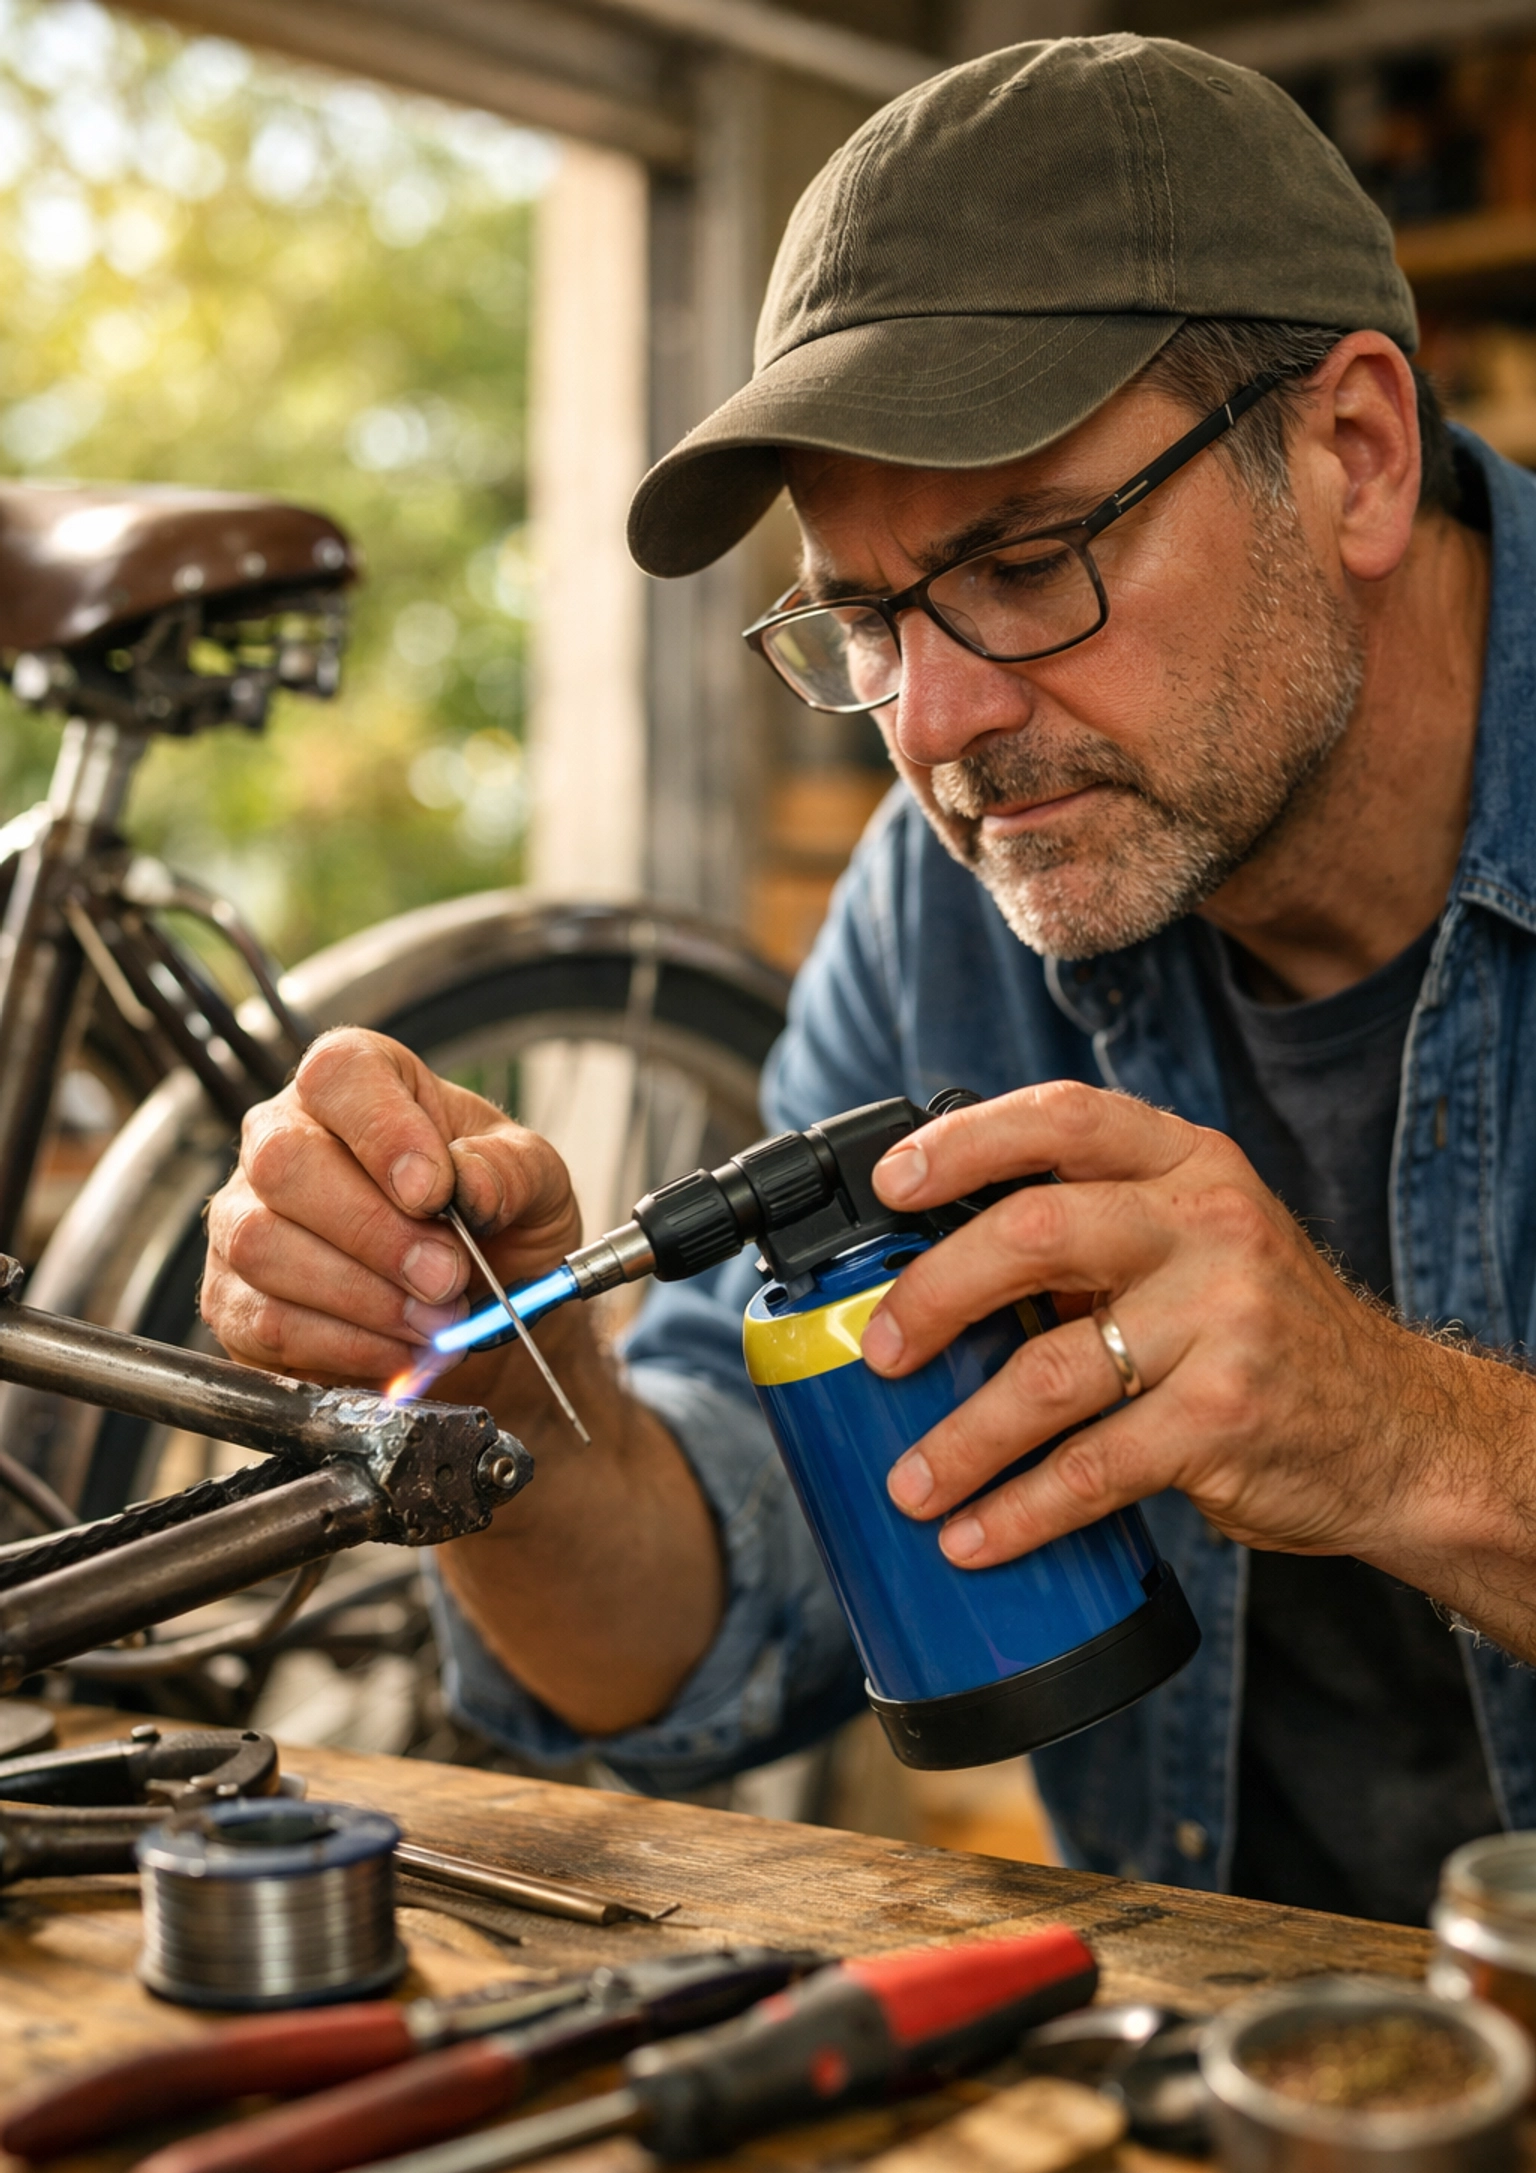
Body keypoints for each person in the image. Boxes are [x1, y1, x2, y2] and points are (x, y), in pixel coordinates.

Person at [201, 35, 1536, 1928]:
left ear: (1356, 457)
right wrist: (520, 1406)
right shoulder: (946, 905)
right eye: (863, 616)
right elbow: (702, 1632)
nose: (941, 723)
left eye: (1030, 561)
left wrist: (1403, 1436)